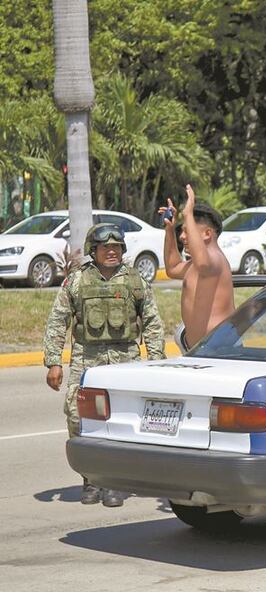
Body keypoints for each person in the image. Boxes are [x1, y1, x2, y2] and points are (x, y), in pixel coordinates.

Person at [43, 222, 165, 506]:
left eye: (116, 247)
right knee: (77, 417)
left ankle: (116, 481)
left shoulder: (135, 281)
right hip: (87, 358)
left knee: (124, 421)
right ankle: (90, 479)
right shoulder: (76, 280)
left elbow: (153, 324)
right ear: (93, 251)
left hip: (127, 361)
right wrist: (53, 361)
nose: (111, 252)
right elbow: (57, 320)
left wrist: (156, 364)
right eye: (105, 248)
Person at [161, 185, 234, 351]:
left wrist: (187, 214)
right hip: (198, 350)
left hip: (220, 351)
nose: (182, 237)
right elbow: (172, 269)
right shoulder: (195, 264)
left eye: (188, 231)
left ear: (207, 234)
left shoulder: (216, 260)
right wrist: (169, 230)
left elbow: (203, 264)